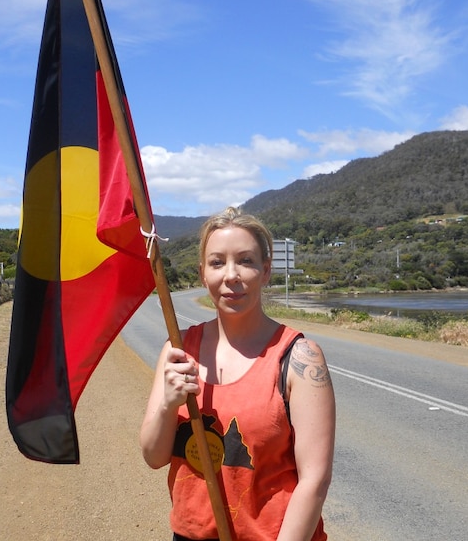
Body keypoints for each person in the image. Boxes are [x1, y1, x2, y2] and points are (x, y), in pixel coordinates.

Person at [140, 207, 336, 541]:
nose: (231, 274)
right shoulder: (178, 349)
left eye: (245, 260)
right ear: (203, 273)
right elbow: (154, 457)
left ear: (266, 270)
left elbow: (314, 480)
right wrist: (168, 404)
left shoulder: (299, 358)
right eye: (217, 262)